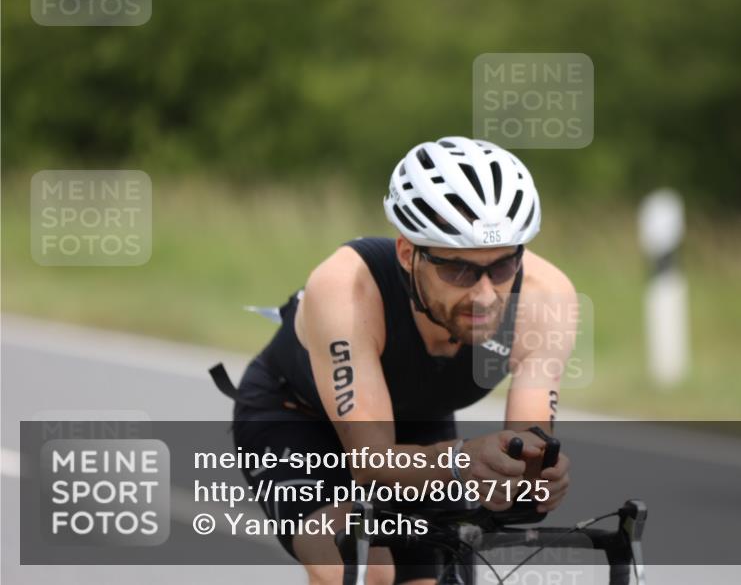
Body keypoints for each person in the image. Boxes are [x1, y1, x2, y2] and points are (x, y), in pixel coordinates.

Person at [213, 136, 575, 585]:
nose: (484, 294)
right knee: (367, 569)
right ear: (408, 254)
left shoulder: (544, 298)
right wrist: (463, 462)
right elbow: (371, 460)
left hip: (417, 427)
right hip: (296, 420)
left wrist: (533, 477)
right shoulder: (346, 287)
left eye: (502, 268)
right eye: (459, 270)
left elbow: (528, 445)